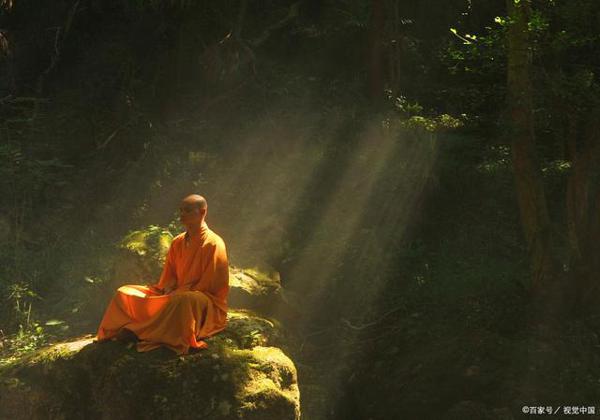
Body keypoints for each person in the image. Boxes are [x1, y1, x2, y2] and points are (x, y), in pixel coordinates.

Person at [95, 194, 229, 355]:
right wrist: (167, 287)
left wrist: (180, 292)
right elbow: (169, 275)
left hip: (202, 300)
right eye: (180, 210)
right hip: (175, 293)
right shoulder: (177, 241)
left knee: (183, 300)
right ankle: (136, 329)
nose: (182, 215)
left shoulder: (214, 243)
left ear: (202, 212)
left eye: (187, 210)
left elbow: (211, 285)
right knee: (125, 292)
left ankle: (138, 331)